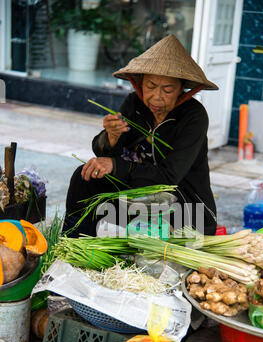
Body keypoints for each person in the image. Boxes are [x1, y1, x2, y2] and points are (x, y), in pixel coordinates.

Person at [63, 34, 219, 237]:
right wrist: (111, 136)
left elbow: (169, 177)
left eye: (168, 89)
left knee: (153, 218)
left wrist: (116, 165)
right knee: (84, 176)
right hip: (137, 193)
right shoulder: (134, 104)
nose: (157, 97)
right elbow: (107, 152)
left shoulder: (194, 116)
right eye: (151, 86)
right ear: (140, 84)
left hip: (182, 204)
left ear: (182, 89)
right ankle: (73, 242)